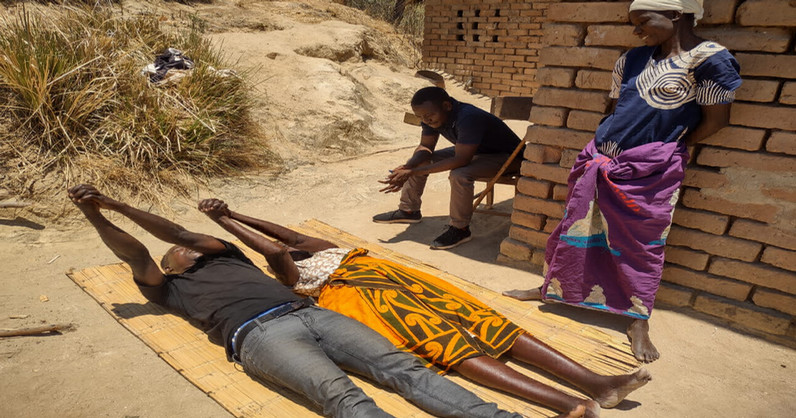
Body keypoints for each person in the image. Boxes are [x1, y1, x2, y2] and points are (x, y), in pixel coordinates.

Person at [67, 184, 525, 418]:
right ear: (170, 268)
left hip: (311, 313)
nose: (187, 247)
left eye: (190, 245)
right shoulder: (166, 287)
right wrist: (95, 215)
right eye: (177, 254)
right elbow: (136, 251)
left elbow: (179, 232)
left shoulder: (223, 255)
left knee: (405, 369)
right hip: (260, 336)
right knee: (341, 397)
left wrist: (118, 204)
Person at [198, 199, 652, 418]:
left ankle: (596, 383)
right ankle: (568, 405)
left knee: (488, 323)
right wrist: (223, 223)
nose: (284, 244)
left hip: (397, 278)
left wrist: (236, 210)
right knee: (450, 345)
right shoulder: (289, 275)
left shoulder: (321, 248)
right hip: (364, 298)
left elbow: (289, 237)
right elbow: (276, 249)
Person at [504, 0, 742, 364]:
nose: (637, 30)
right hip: (602, 160)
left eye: (643, 21)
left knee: (641, 244)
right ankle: (552, 289)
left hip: (650, 169)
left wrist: (663, 148)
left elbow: (716, 120)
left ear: (677, 14)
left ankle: (637, 318)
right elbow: (614, 107)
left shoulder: (710, 59)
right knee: (576, 228)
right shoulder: (632, 59)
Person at [373, 86, 524, 250]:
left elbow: (461, 159)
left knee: (460, 174)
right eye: (421, 117)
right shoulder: (430, 116)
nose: (426, 120)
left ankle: (460, 229)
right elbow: (425, 146)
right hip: (476, 150)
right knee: (421, 161)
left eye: (429, 116)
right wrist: (409, 166)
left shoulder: (468, 117)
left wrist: (413, 172)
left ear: (447, 106)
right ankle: (409, 211)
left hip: (508, 157)